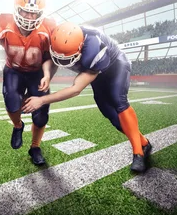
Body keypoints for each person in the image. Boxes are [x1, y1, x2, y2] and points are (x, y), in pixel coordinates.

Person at [22, 22, 152, 172]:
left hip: (116, 66)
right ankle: (144, 143)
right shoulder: (56, 37)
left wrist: (42, 100)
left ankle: (138, 153)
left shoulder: (93, 50)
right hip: (94, 71)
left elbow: (76, 88)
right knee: (110, 114)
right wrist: (47, 75)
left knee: (118, 101)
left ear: (81, 47)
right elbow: (52, 58)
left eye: (66, 58)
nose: (62, 62)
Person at [0, 0, 56, 165]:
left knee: (41, 114)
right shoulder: (3, 22)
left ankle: (35, 147)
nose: (29, 17)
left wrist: (47, 74)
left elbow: (50, 58)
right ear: (16, 9)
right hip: (13, 69)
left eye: (34, 14)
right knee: (12, 102)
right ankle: (18, 126)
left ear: (41, 14)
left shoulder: (49, 28)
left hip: (37, 72)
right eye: (25, 12)